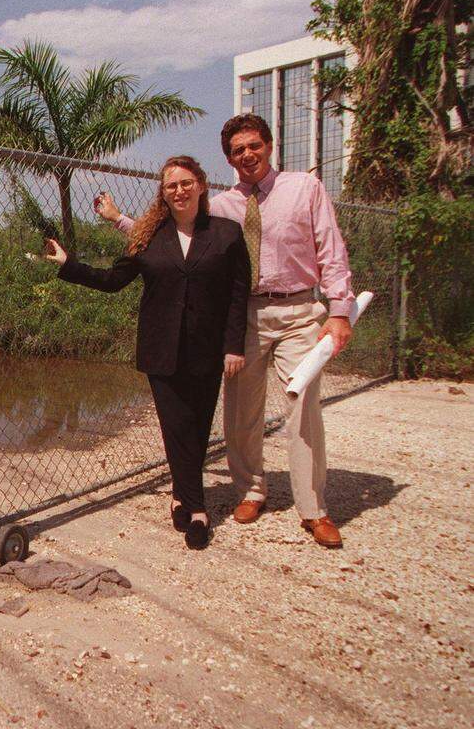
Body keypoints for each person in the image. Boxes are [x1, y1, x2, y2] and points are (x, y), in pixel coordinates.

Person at [95, 113, 354, 548]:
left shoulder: (304, 188)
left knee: (303, 404)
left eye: (254, 146)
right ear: (228, 159)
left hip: (299, 309)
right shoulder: (225, 204)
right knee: (240, 411)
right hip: (245, 316)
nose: (247, 155)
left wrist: (340, 309)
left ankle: (314, 509)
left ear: (269, 146)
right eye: (237, 150)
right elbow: (175, 235)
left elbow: (331, 249)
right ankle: (251, 490)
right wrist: (121, 220)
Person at [45, 155, 250, 549]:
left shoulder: (226, 233)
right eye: (171, 185)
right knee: (175, 428)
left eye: (186, 182)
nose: (179, 190)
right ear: (164, 192)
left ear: (202, 186)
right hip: (162, 351)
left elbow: (238, 296)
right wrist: (70, 263)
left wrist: (233, 346)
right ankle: (198, 511)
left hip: (207, 352)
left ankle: (179, 494)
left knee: (198, 427)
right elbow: (112, 281)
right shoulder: (148, 235)